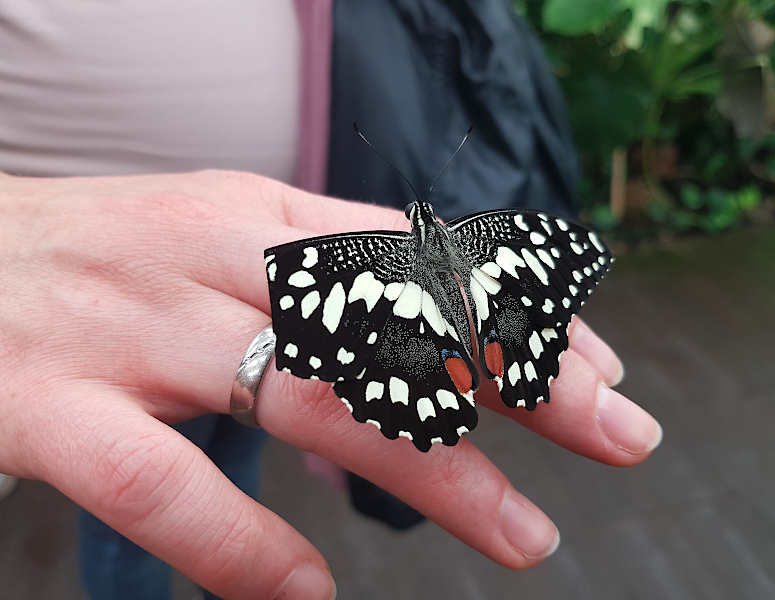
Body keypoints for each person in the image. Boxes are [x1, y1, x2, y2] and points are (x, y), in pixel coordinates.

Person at [0, 2, 663, 600]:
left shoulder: (357, 262)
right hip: (108, 312)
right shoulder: (473, 241)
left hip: (251, 276)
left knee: (232, 462)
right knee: (137, 503)